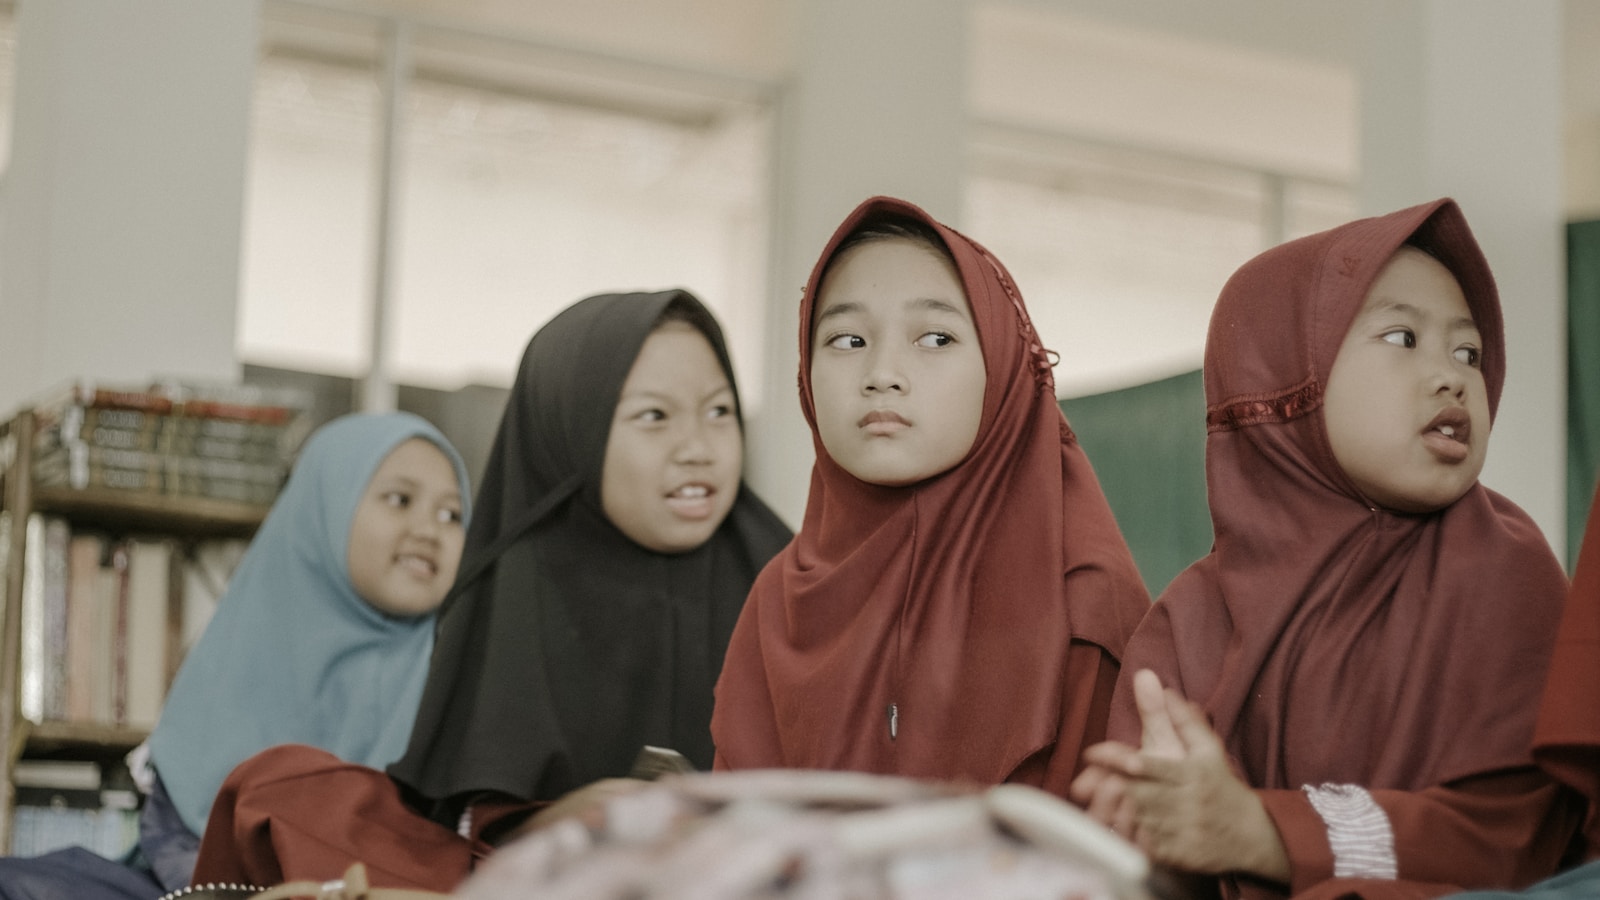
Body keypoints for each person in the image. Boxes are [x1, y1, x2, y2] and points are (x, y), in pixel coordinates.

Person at [189, 289, 793, 892]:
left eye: (719, 412)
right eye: (655, 416)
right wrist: (580, 817)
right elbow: (469, 829)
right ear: (573, 429)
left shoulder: (788, 577)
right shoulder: (522, 586)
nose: (698, 448)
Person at [1069, 198, 1580, 899]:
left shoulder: (1505, 571)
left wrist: (1265, 830)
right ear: (1283, 377)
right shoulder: (1192, 617)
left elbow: (1514, 838)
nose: (1452, 376)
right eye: (1403, 339)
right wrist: (1142, 818)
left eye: (1469, 352)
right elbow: (1147, 849)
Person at [709, 195, 1151, 797]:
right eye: (846, 340)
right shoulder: (782, 599)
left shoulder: (1080, 599)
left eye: (936, 338)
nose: (883, 373)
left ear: (1003, 368)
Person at [0, 411, 471, 900]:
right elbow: (186, 840)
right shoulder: (248, 648)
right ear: (324, 506)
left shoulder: (467, 683)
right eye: (400, 500)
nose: (428, 530)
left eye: (452, 514)